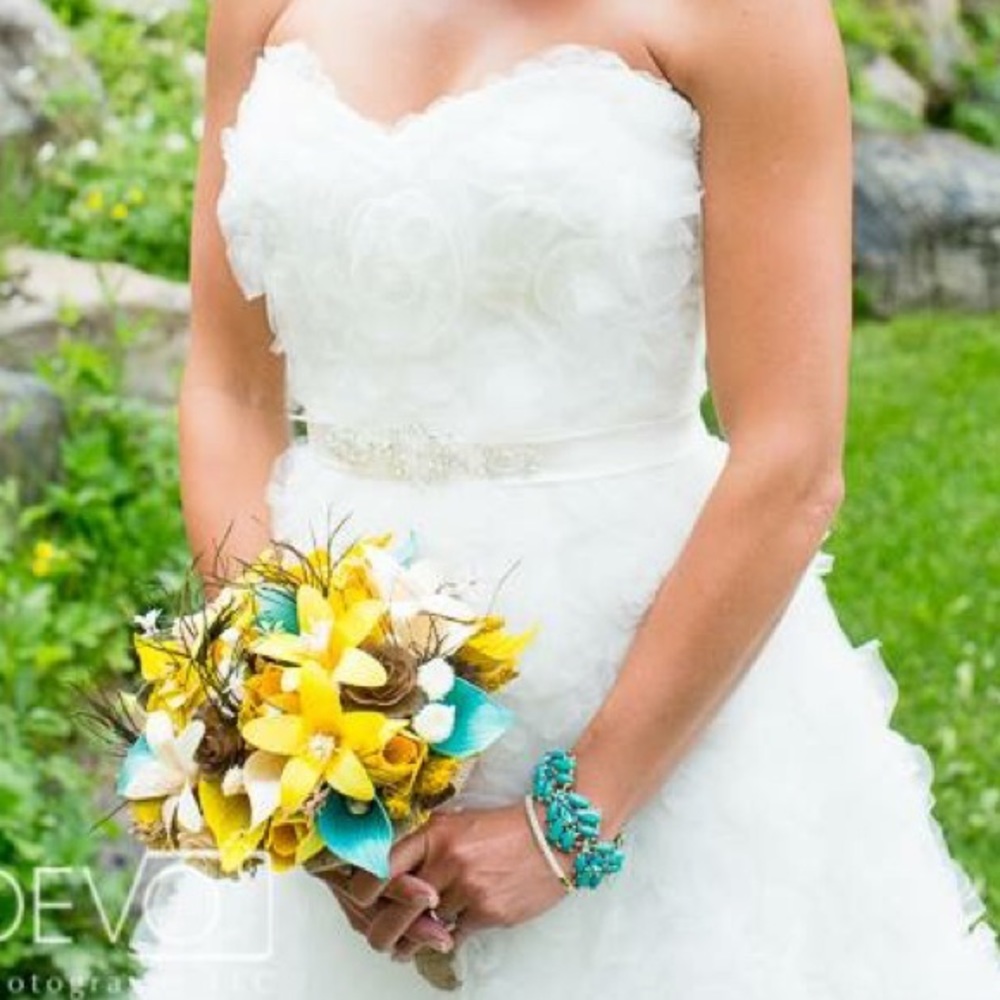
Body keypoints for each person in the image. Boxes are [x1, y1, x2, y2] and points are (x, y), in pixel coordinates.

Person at [131, 0, 1000, 995]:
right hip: (340, 701)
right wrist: (289, 747)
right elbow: (230, 391)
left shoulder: (750, 19)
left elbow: (791, 462)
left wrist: (571, 816)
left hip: (646, 697)